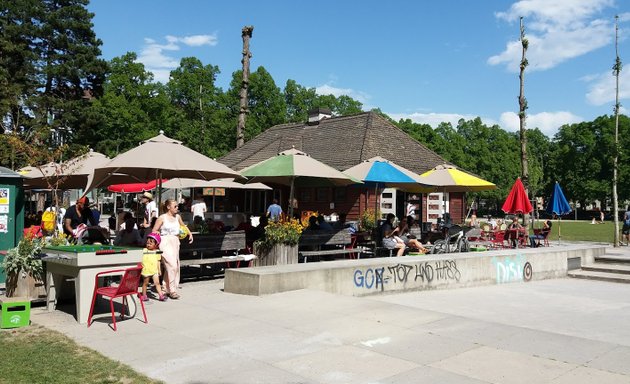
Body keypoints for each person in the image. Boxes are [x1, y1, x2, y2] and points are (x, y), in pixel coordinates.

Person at [152, 199, 193, 300]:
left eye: (177, 206)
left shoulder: (177, 217)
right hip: (165, 242)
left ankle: (165, 288)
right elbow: (154, 230)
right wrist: (157, 234)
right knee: (172, 266)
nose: (177, 208)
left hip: (175, 241)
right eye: (175, 206)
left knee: (171, 267)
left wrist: (190, 233)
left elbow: (183, 226)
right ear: (168, 207)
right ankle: (173, 290)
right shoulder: (162, 218)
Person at [139, 232, 167, 302]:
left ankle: (161, 295)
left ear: (156, 244)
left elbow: (158, 261)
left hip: (154, 270)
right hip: (146, 269)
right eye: (147, 243)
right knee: (145, 283)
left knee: (157, 283)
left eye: (151, 243)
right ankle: (144, 295)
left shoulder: (157, 252)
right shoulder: (144, 250)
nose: (148, 245)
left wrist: (159, 270)